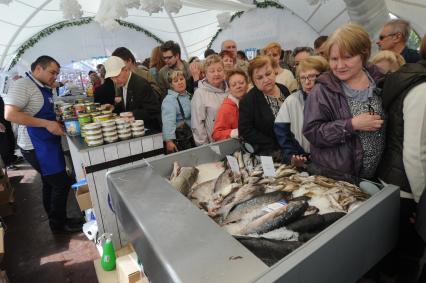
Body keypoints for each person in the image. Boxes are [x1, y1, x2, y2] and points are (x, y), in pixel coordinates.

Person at [3, 56, 82, 234]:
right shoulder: (23, 85)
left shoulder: (42, 87)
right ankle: (59, 224)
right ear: (38, 69)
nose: (55, 76)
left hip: (47, 143)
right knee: (60, 183)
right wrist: (47, 124)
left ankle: (55, 219)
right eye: (52, 72)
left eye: (57, 73)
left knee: (50, 182)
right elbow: (10, 114)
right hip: (36, 146)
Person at [374, 34, 426, 283]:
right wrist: (422, 200)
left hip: (402, 181)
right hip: (408, 187)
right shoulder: (422, 88)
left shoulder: (414, 80)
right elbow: (415, 152)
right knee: (404, 261)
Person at [303, 23, 385, 179]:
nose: (340, 66)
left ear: (363, 54)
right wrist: (351, 125)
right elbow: (312, 132)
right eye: (334, 59)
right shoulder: (322, 91)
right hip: (340, 179)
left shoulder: (379, 80)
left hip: (376, 176)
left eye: (347, 57)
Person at [274, 56, 329, 167]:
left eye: (312, 76)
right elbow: (282, 132)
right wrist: (293, 155)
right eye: (303, 78)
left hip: (330, 160)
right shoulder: (292, 101)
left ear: (324, 76)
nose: (307, 82)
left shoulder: (334, 100)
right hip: (304, 159)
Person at [239, 55, 290, 158]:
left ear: (274, 72)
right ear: (253, 80)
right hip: (270, 152)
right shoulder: (248, 100)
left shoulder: (283, 89)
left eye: (268, 74)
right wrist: (273, 144)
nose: (266, 79)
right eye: (259, 77)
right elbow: (245, 130)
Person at [104, 56, 162, 131]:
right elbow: (129, 104)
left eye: (117, 76)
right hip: (136, 129)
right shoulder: (123, 83)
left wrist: (131, 114)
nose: (115, 80)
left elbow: (154, 110)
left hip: (149, 130)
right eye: (112, 78)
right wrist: (114, 108)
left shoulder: (140, 84)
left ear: (125, 70)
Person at [191, 54, 228, 145]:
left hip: (234, 139)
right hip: (214, 144)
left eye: (219, 70)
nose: (216, 73)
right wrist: (205, 148)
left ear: (224, 71)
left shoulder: (230, 90)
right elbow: (197, 125)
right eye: (212, 71)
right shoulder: (200, 94)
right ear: (205, 74)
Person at [161, 70, 193, 153]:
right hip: (181, 138)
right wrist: (169, 141)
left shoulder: (189, 95)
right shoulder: (169, 100)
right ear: (171, 85)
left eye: (181, 79)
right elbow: (168, 122)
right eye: (176, 81)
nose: (180, 82)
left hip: (192, 135)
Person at [212, 69, 248, 141]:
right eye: (233, 85)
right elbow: (216, 134)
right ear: (230, 89)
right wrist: (238, 132)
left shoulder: (251, 99)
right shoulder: (226, 108)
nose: (238, 86)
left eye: (241, 83)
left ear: (247, 84)